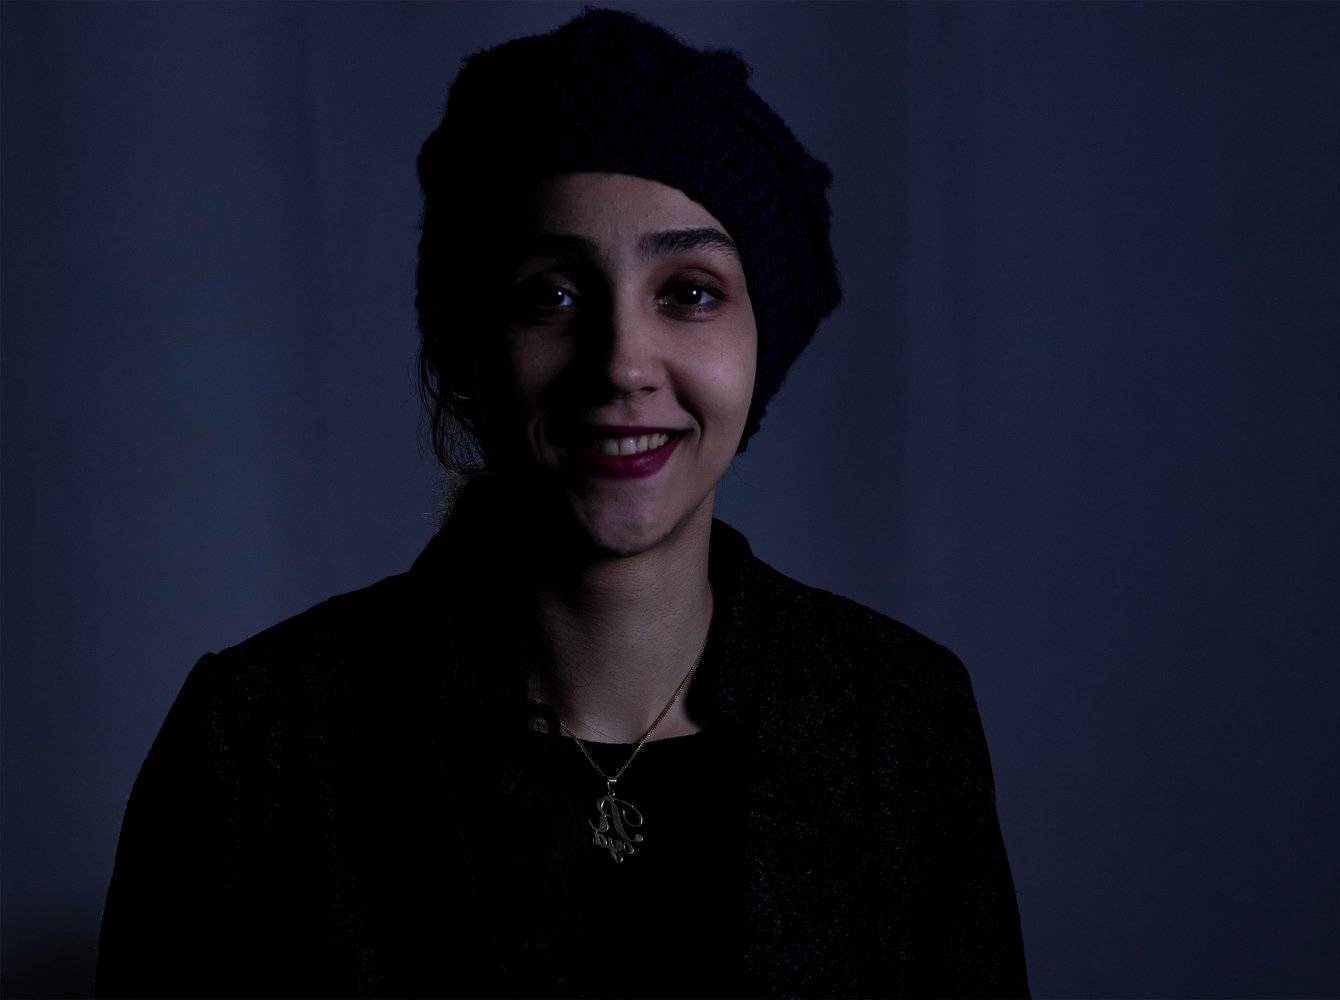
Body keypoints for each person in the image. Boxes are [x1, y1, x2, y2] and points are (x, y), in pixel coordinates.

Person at [96, 8, 1029, 998]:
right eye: (553, 293)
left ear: (764, 342)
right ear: (470, 345)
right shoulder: (257, 745)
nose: (623, 362)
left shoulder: (899, 726)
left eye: (691, 291)